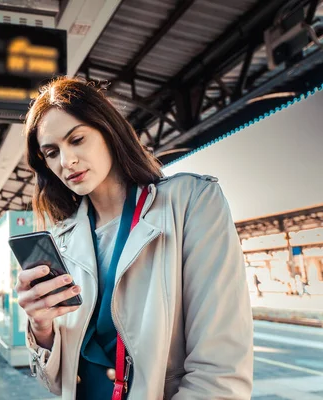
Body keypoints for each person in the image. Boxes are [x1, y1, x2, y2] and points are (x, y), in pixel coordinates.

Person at [14, 77, 253, 400]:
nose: (66, 161)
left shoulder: (191, 202)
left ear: (108, 130)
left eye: (78, 139)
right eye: (52, 152)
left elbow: (220, 372)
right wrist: (41, 328)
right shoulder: (62, 240)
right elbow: (58, 384)